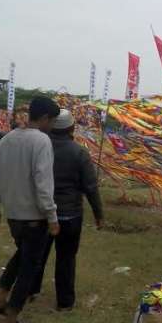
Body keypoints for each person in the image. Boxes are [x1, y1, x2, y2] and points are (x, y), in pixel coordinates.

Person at [0, 96, 61, 323]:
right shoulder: (42, 141)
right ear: (45, 118)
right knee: (29, 267)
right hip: (34, 217)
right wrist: (52, 216)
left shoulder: (7, 139)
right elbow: (43, 183)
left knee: (22, 256)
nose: (53, 126)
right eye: (53, 121)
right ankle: (10, 320)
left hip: (13, 216)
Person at [28, 110, 103, 310]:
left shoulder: (40, 148)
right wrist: (98, 214)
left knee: (38, 255)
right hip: (70, 215)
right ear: (72, 128)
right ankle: (65, 302)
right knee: (66, 259)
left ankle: (30, 291)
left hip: (42, 212)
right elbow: (91, 187)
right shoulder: (79, 152)